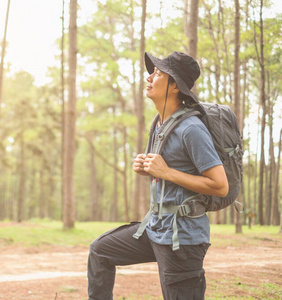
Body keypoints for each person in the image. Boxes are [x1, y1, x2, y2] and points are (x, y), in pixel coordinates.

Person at [87, 51, 228, 300]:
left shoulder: (191, 129)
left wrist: (167, 172)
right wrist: (148, 168)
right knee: (100, 251)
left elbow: (220, 185)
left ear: (174, 86)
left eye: (158, 73)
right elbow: (169, 170)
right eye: (152, 72)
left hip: (182, 239)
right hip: (155, 228)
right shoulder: (161, 123)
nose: (150, 77)